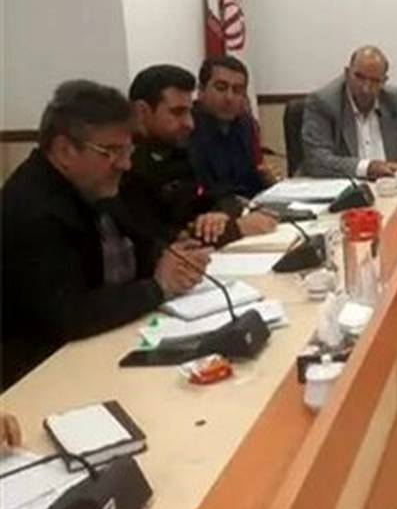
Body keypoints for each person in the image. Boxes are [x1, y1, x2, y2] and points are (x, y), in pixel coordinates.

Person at [2, 81, 209, 388]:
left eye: (128, 150)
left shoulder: (94, 184)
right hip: (43, 375)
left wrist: (174, 259)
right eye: (111, 152)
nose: (125, 164)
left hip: (109, 344)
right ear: (64, 151)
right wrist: (157, 287)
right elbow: (67, 316)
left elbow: (143, 242)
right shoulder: (31, 211)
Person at [123, 65, 277, 247]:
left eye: (189, 112)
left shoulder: (176, 150)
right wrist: (235, 229)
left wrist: (219, 214)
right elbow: (155, 242)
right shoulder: (124, 163)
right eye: (177, 112)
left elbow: (207, 198)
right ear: (142, 112)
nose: (189, 123)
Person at [302, 45, 397, 178]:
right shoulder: (324, 102)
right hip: (347, 191)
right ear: (347, 73)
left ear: (384, 81)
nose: (366, 88)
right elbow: (317, 161)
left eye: (375, 81)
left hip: (393, 188)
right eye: (360, 77)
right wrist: (368, 167)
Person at [189, 56, 274, 201]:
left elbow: (249, 182)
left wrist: (268, 182)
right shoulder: (187, 127)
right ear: (201, 91)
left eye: (237, 90)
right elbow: (200, 191)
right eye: (221, 88)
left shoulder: (245, 125)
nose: (229, 97)